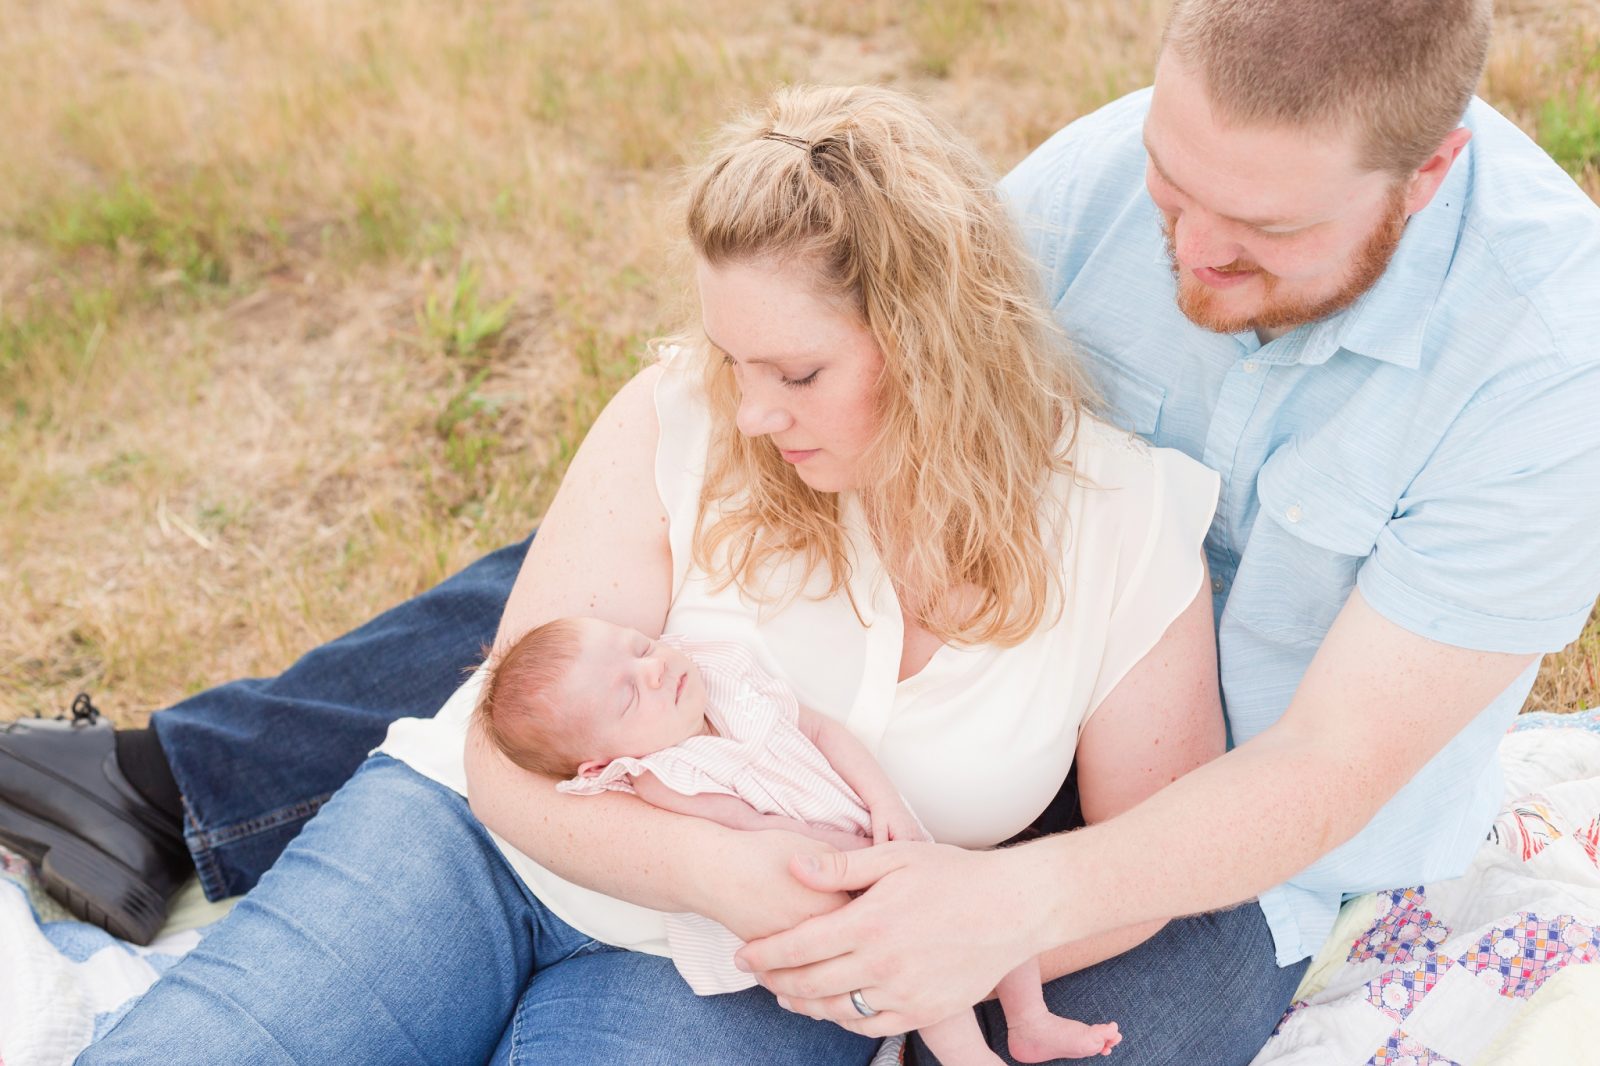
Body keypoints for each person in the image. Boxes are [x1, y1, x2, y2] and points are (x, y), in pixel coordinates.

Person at [1, 0, 1591, 1060]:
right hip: (757, 776)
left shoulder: (1545, 366)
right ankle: (169, 783)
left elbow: (1316, 774)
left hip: (1228, 822)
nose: (1187, 249)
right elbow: (830, 316)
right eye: (1176, 185)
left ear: (1426, 173)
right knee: (580, 628)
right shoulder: (1098, 190)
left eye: (1261, 233)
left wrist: (1005, 904)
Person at [72, 79, 1242, 1065]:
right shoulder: (679, 413)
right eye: (733, 358)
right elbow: (496, 742)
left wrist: (917, 941)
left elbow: (1146, 863)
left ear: (939, 340)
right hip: (477, 847)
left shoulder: (1124, 525)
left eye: (795, 372)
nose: (748, 407)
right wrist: (712, 866)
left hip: (732, 984)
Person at [478, 617, 1123, 1063]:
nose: (655, 669)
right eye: (627, 696)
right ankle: (968, 1057)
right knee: (917, 958)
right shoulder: (662, 777)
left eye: (642, 647)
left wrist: (884, 800)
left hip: (869, 836)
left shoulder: (720, 674)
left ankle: (1030, 1022)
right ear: (598, 764)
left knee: (985, 902)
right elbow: (746, 830)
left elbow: (820, 732)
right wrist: (838, 852)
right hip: (813, 881)